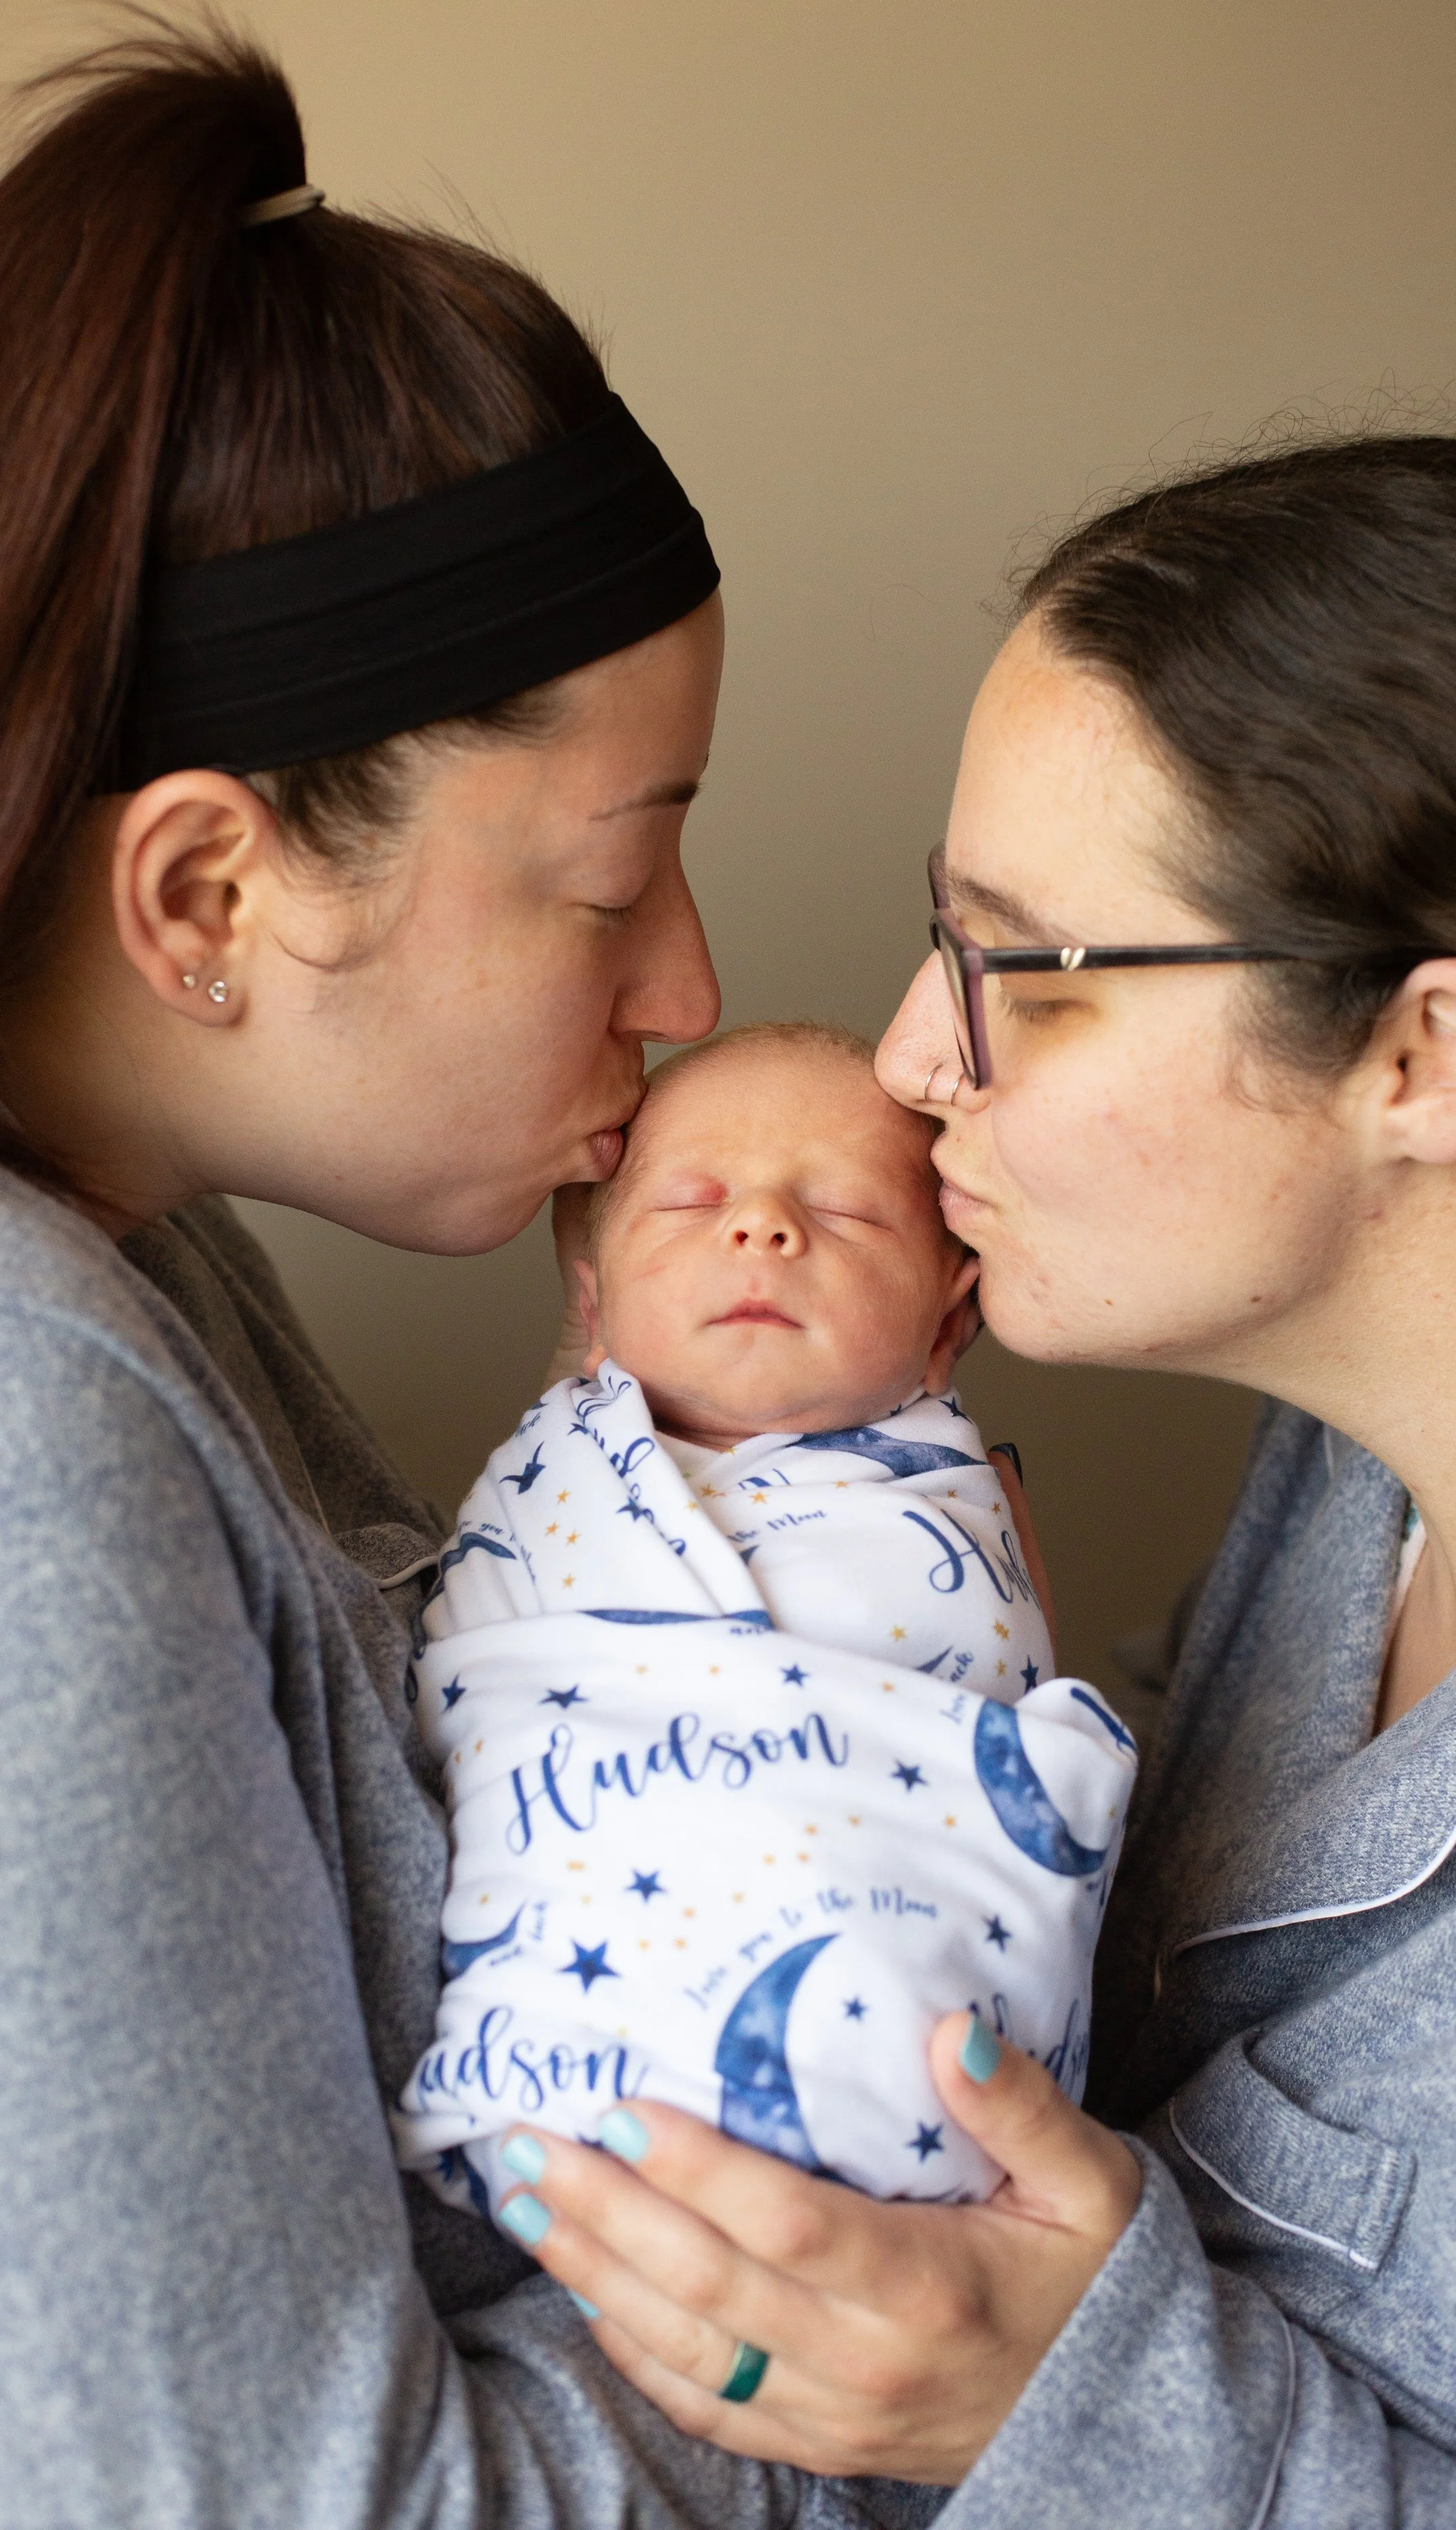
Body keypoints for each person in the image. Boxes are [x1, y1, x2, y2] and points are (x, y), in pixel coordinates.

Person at [487, 437, 1456, 2526]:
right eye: (936, 941)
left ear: (1423, 1057)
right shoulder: (1354, 1455)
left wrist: (1074, 2408)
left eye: (1025, 977)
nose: (909, 1058)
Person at [0, 25, 928, 2529]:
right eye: (616, 880)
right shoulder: (33, 1429)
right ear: (210, 893)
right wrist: (919, 2344)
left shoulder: (139, 1236)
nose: (687, 986)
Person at [390, 1022, 1125, 2222]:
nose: (763, 1226)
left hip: (907, 2044)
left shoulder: (945, 1510)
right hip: (572, 2029)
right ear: (594, 1302)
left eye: (845, 1212)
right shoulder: (559, 1479)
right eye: (693, 1201)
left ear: (948, 1326)